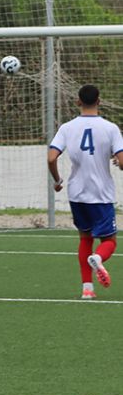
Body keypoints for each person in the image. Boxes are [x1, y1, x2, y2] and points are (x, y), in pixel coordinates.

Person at [47, 84, 123, 299]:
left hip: (76, 193)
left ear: (78, 102)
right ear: (99, 101)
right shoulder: (110, 128)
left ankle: (87, 290)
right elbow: (122, 161)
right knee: (109, 241)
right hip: (101, 194)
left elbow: (51, 158)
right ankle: (98, 259)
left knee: (85, 238)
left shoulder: (67, 128)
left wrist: (58, 180)